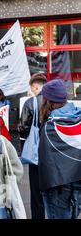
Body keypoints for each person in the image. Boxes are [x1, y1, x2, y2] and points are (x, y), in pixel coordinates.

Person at [38, 79, 81, 219]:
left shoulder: (50, 126)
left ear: (48, 101)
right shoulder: (78, 118)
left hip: (57, 186)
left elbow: (46, 161)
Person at [17, 72, 47, 219]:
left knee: (35, 188)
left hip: (36, 150)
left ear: (35, 87)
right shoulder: (55, 101)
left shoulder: (30, 103)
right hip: (53, 151)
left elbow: (23, 127)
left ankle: (38, 216)